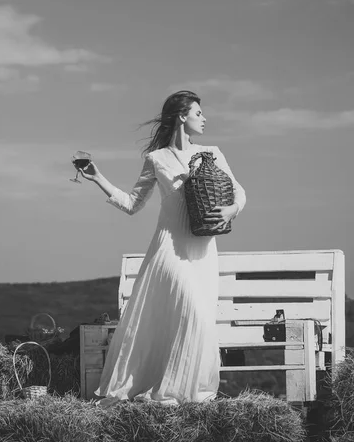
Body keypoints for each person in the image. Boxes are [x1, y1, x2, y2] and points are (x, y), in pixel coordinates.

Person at [78, 90, 246, 406]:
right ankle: (168, 390)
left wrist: (231, 210)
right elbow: (132, 204)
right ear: (182, 116)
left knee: (199, 317)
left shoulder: (213, 153)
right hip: (169, 248)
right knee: (193, 310)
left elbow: (239, 193)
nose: (205, 118)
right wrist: (98, 177)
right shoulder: (156, 159)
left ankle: (186, 390)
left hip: (203, 250)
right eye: (198, 113)